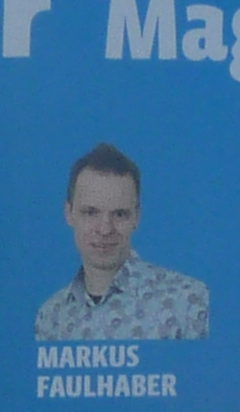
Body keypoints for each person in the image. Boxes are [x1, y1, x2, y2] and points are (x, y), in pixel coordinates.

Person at [34, 143, 208, 340]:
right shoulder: (50, 317)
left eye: (119, 214)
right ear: (68, 214)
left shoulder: (188, 302)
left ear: (137, 217)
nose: (105, 229)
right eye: (91, 213)